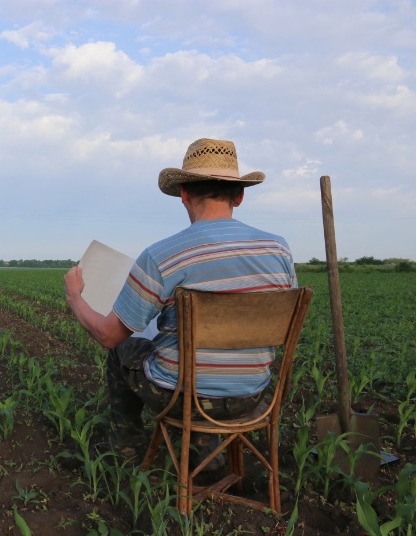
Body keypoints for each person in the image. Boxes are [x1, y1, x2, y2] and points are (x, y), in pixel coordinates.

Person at [63, 138, 297, 467]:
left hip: (182, 399)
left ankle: (126, 451)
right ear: (240, 196)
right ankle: (208, 452)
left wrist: (75, 297)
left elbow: (108, 335)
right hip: (254, 397)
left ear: (184, 193)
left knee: (121, 350)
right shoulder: (280, 250)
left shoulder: (163, 255)